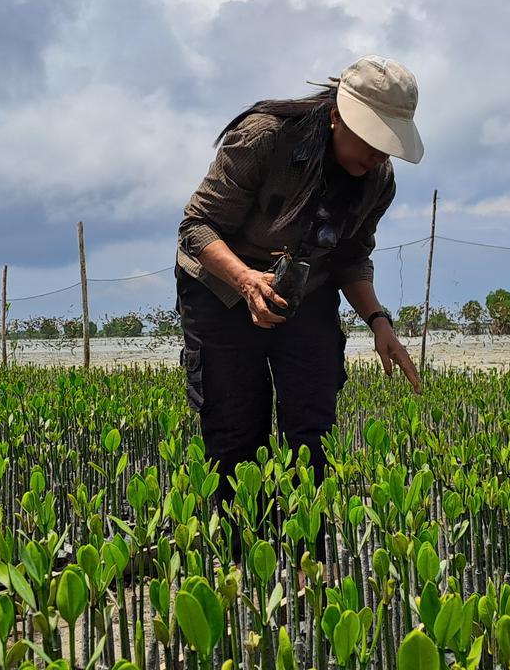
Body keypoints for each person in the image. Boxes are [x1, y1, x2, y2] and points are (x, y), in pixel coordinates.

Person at [174, 55, 424, 558]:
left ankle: (306, 561)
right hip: (222, 287)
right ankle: (240, 562)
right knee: (235, 429)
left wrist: (379, 323)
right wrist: (247, 281)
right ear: (338, 115)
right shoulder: (265, 136)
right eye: (372, 138)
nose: (379, 154)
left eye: (387, 143)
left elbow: (352, 256)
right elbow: (196, 228)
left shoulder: (378, 181)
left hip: (305, 288)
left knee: (311, 429)